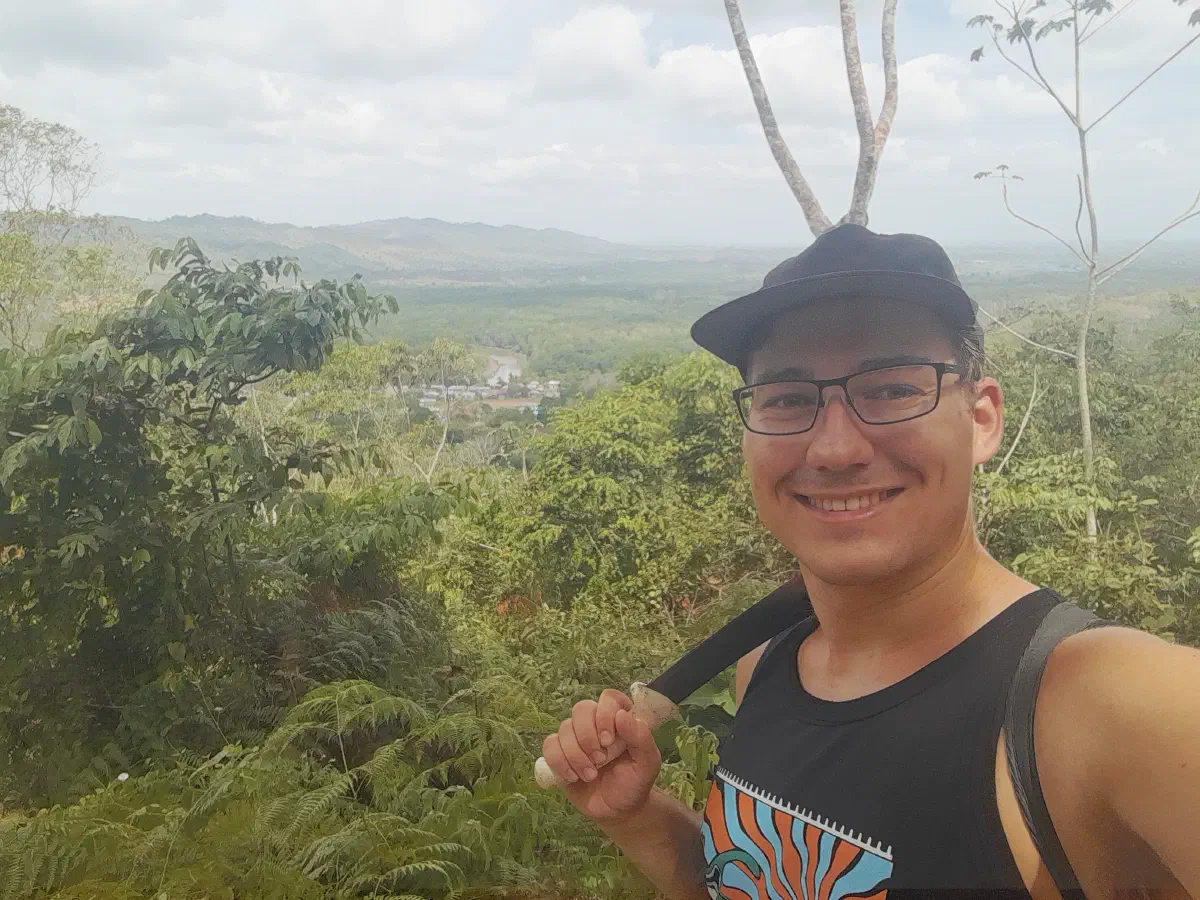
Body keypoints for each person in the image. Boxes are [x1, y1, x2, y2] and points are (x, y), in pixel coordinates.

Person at [540, 224, 1200, 899]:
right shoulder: (763, 668)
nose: (834, 450)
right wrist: (640, 822)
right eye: (789, 399)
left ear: (982, 419)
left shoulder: (1099, 704)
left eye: (889, 389)